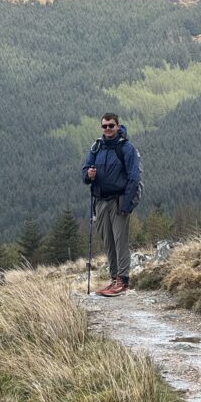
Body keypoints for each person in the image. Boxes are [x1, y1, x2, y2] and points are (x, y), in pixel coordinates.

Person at [82, 113, 142, 296]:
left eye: (111, 126)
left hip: (118, 200)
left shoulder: (127, 148)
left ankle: (122, 281)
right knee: (108, 241)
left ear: (118, 126)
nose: (107, 129)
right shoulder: (96, 148)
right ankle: (114, 278)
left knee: (119, 240)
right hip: (100, 202)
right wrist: (88, 175)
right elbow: (85, 172)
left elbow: (134, 177)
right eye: (105, 126)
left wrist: (127, 203)